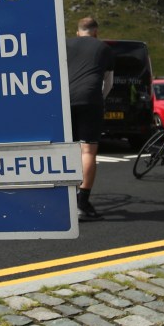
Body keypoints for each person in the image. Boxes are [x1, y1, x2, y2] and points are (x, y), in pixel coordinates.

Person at [66, 17, 115, 221]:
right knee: (88, 149)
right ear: (95, 32)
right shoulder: (103, 48)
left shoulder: (65, 44)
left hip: (64, 100)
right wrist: (99, 100)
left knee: (68, 148)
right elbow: (108, 83)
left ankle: (65, 197)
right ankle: (82, 203)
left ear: (78, 32)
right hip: (89, 100)